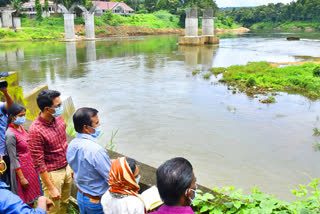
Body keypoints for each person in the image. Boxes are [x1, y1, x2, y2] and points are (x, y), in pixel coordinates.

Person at [28, 90, 72, 214]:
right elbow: (39, 163)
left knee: (64, 203)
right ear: (47, 109)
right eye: (57, 106)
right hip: (53, 174)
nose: (60, 108)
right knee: (53, 209)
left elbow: (65, 144)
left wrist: (70, 166)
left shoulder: (58, 119)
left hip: (66, 167)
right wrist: (51, 187)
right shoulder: (36, 131)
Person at [67, 107, 111, 214]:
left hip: (81, 195)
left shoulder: (72, 144)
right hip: (96, 201)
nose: (99, 125)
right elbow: (110, 178)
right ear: (86, 128)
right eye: (96, 123)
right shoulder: (96, 151)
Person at [5, 103, 42, 207]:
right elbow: (13, 158)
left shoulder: (20, 127)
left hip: (30, 167)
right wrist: (21, 178)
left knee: (32, 197)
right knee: (24, 199)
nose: (23, 117)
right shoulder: (10, 134)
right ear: (12, 116)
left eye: (24, 115)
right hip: (21, 170)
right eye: (21, 115)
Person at [0, 88, 14, 185]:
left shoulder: (0, 105)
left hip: (8, 149)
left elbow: (11, 107)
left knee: (12, 178)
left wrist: (5, 93)